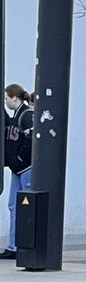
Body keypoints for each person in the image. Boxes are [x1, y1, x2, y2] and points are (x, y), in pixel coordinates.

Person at [2, 84, 33, 259]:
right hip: (17, 169)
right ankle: (13, 246)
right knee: (13, 206)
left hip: (25, 168)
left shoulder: (26, 116)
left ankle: (19, 245)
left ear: (15, 98)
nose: (6, 102)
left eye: (7, 98)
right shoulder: (15, 117)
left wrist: (20, 158)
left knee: (24, 207)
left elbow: (31, 139)